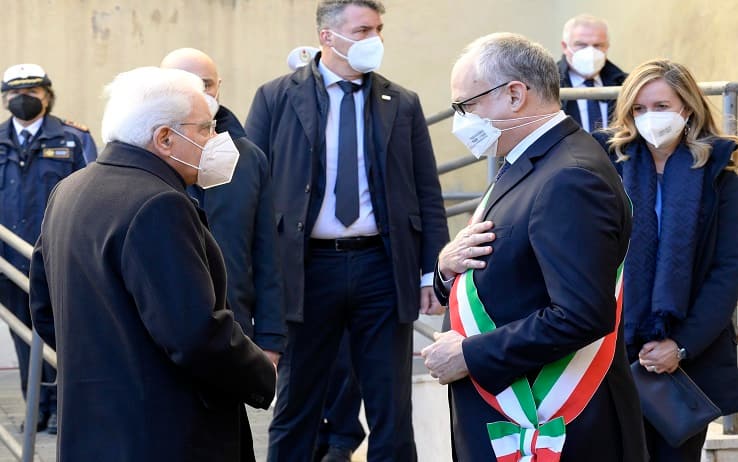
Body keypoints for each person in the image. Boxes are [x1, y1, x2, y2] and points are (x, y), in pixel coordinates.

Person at [28, 66, 276, 462]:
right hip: (167, 431)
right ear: (164, 138)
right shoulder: (160, 203)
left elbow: (44, 308)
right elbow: (194, 335)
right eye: (205, 129)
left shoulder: (70, 189)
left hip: (92, 425)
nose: (215, 140)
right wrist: (261, 373)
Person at [421, 33, 647, 461]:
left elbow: (580, 314)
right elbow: (511, 270)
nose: (461, 121)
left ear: (514, 95)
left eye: (466, 105)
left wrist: (470, 354)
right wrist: (448, 270)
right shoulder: (531, 160)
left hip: (559, 421)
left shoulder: (570, 176)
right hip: (517, 412)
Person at [244, 1, 449, 460]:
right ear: (327, 37)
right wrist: (258, 279)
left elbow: (426, 195)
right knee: (297, 402)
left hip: (381, 266)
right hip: (307, 268)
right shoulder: (276, 97)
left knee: (391, 405)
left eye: (378, 29)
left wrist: (427, 275)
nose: (374, 39)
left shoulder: (403, 102)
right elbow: (250, 195)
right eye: (362, 30)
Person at [594, 59, 738, 462]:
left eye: (660, 106)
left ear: (687, 109)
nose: (649, 118)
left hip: (689, 358)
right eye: (638, 109)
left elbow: (728, 273)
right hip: (616, 351)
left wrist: (681, 344)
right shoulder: (607, 170)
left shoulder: (721, 176)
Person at [160, 48, 286, 368]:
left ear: (219, 86)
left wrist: (270, 337)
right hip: (161, 333)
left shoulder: (250, 159)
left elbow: (266, 253)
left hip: (233, 332)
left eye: (206, 84)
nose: (200, 94)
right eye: (186, 85)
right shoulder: (143, 160)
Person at [0, 63, 95, 434]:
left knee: (61, 336)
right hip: (8, 264)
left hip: (57, 262)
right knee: (23, 339)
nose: (23, 99)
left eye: (32, 92)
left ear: (47, 96)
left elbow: (90, 198)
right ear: (6, 98)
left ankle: (62, 409)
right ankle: (36, 408)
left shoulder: (72, 139)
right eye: (14, 93)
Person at [284, 44, 366, 462]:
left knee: (350, 356)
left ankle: (341, 438)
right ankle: (316, 435)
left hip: (365, 253)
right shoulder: (282, 100)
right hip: (308, 256)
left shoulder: (382, 101)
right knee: (305, 361)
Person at [558, 14, 627, 132]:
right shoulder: (548, 86)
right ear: (565, 46)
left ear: (607, 47)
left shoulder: (624, 83)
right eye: (581, 45)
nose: (590, 52)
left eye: (598, 45)